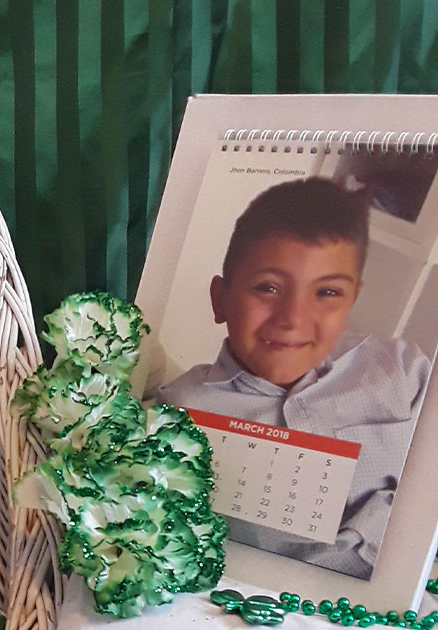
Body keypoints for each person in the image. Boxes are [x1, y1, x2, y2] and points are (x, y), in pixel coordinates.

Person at [155, 176, 430, 578]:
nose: (292, 319)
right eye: (268, 288)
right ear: (221, 299)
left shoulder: (404, 371)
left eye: (327, 293)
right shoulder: (180, 414)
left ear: (352, 299)